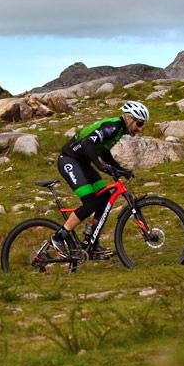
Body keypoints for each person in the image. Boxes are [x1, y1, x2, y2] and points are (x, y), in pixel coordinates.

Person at [51, 100, 148, 257]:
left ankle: (91, 242)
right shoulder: (113, 126)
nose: (140, 129)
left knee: (104, 198)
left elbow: (103, 152)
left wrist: (120, 169)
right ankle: (59, 237)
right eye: (139, 123)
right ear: (129, 118)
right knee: (90, 203)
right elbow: (86, 143)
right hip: (69, 160)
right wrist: (101, 167)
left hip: (82, 162)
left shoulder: (119, 130)